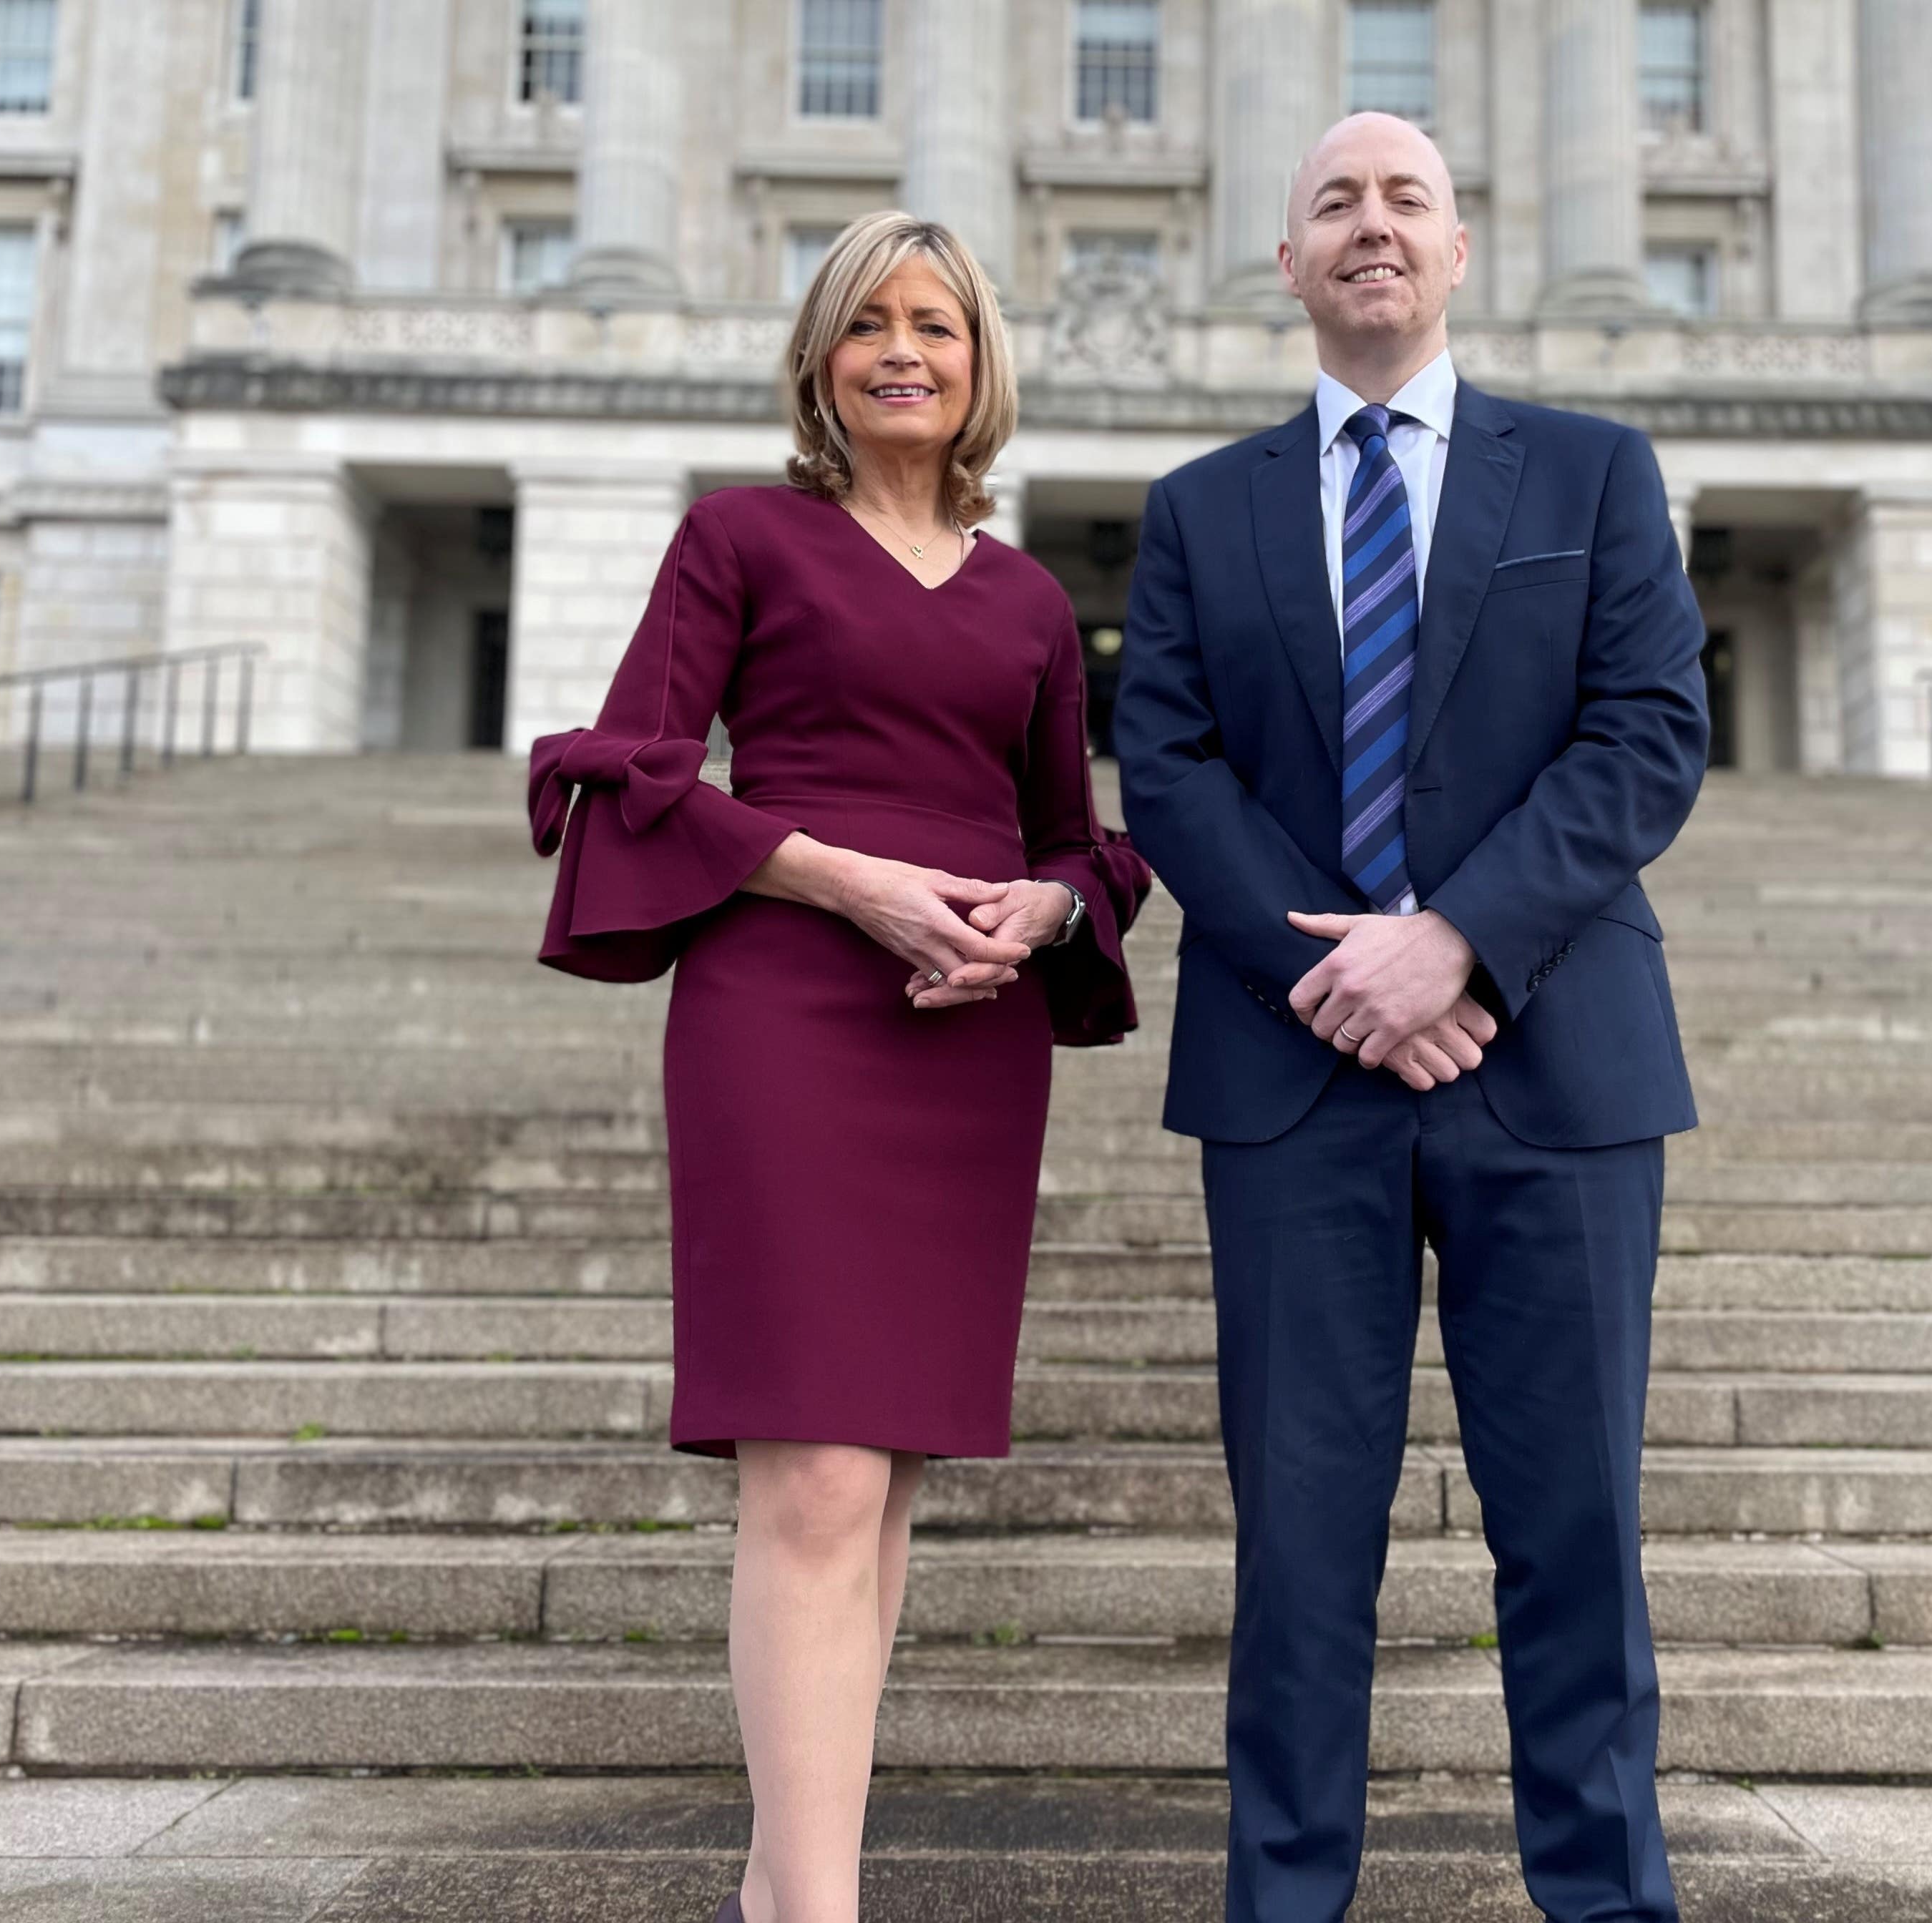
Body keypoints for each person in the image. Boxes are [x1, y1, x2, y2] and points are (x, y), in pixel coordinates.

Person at [1115, 112, 1708, 1923]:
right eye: (1335, 202)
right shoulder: (1198, 509)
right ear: (1288, 263)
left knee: (1577, 1538)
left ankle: (1607, 1902)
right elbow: (1168, 767)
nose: (1372, 224)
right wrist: (1349, 975)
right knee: (1299, 1554)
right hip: (1294, 1082)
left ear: (1459, 250)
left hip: (1558, 1067)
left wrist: (1455, 941)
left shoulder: (1593, 474)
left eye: (1408, 199)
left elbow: (1649, 735)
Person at [523, 211, 1148, 1923]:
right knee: (812, 1475)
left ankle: (786, 1884)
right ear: (819, 357)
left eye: (936, 323)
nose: (903, 351)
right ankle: (817, 1910)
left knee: (881, 1490)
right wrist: (846, 878)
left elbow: (1069, 836)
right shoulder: (738, 538)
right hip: (782, 1008)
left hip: (964, 1039)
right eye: (868, 323)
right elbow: (632, 766)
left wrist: (1040, 911)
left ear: (979, 360)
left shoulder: (1032, 599)